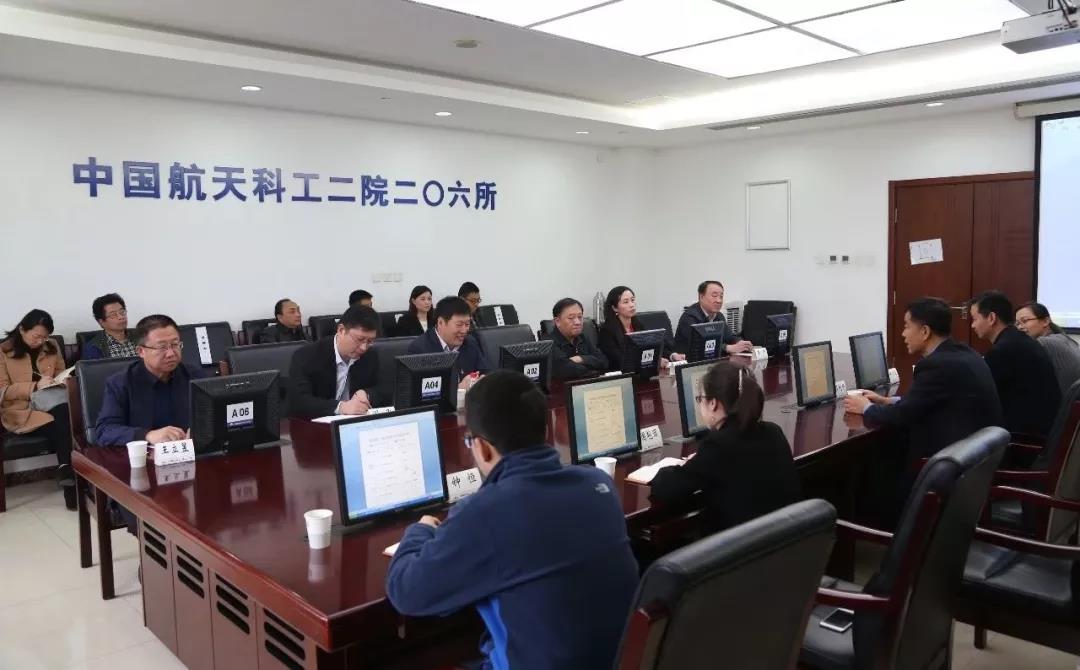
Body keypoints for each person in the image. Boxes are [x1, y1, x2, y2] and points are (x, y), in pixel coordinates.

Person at [385, 370, 638, 669]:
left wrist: (420, 530)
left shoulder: (485, 512)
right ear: (544, 430)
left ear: (482, 447)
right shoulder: (599, 484)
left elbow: (407, 592)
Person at [650, 361, 799, 533]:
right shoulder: (773, 432)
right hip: (784, 543)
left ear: (713, 403)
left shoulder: (718, 445)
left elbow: (665, 488)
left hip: (742, 546)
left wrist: (688, 465)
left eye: (700, 399)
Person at [844, 297, 1002, 458]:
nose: (903, 334)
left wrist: (865, 407)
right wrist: (886, 401)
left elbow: (902, 415)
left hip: (948, 461)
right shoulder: (966, 353)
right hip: (975, 459)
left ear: (925, 331)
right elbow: (922, 402)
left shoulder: (937, 365)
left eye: (907, 326)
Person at [0, 310, 75, 509]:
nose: (41, 341)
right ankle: (69, 480)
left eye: (45, 337)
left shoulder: (52, 346)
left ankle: (68, 474)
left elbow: (61, 373)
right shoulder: (3, 351)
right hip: (20, 410)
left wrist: (62, 380)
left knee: (63, 415)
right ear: (22, 330)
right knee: (65, 421)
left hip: (51, 402)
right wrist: (34, 386)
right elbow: (2, 390)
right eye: (36, 336)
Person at [95, 314, 206, 447]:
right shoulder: (120, 383)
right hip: (144, 456)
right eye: (162, 347)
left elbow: (213, 416)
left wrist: (200, 431)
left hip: (190, 453)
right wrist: (147, 435)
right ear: (141, 351)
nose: (171, 353)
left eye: (175, 344)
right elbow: (104, 431)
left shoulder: (194, 376)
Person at [970, 291, 1061, 438]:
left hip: (1024, 436)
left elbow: (983, 397)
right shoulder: (1020, 340)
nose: (972, 325)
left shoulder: (1004, 349)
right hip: (1044, 428)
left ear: (992, 318)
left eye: (974, 319)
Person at [288, 305, 383, 418]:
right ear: (341, 330)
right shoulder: (306, 356)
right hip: (315, 423)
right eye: (360, 339)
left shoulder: (370, 355)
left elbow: (381, 389)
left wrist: (366, 394)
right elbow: (299, 401)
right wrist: (340, 407)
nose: (364, 347)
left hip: (354, 422)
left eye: (370, 341)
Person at [408, 296, 488, 390]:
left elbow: (484, 371)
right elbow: (420, 391)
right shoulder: (420, 348)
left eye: (467, 324)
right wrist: (458, 390)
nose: (464, 331)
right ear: (440, 322)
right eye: (459, 325)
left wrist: (483, 380)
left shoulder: (470, 342)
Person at [597, 285, 681, 371]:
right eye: (626, 302)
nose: (631, 305)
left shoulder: (637, 324)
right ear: (615, 308)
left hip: (641, 372)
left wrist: (672, 355)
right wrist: (655, 361)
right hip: (622, 374)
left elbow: (652, 348)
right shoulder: (607, 331)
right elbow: (619, 360)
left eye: (632, 300)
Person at [673, 281, 753, 356]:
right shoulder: (690, 317)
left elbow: (729, 337)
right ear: (701, 297)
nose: (719, 300)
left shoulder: (719, 316)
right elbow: (700, 346)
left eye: (721, 297)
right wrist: (727, 348)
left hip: (712, 359)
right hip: (689, 362)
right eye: (714, 296)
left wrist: (740, 342)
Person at [1016, 301, 1080, 395]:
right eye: (1017, 323)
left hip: (1064, 402)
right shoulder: (1064, 339)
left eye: (1025, 321)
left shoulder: (1045, 342)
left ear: (1045, 321)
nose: (1020, 327)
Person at [548, 298, 607, 381]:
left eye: (580, 317)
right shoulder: (549, 343)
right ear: (557, 321)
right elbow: (565, 370)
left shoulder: (582, 337)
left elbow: (604, 362)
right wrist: (592, 366)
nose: (577, 322)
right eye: (571, 318)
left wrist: (581, 359)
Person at [82, 293, 137, 359]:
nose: (121, 317)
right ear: (101, 322)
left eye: (122, 312)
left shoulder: (141, 337)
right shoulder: (93, 348)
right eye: (113, 315)